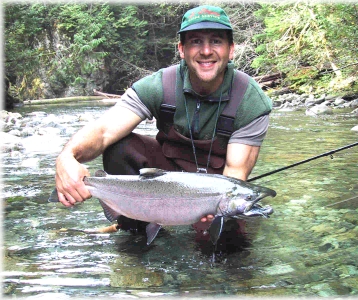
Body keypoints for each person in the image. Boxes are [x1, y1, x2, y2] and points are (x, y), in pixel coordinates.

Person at [54, 5, 273, 233]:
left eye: (216, 41)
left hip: (212, 191)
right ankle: (136, 227)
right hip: (165, 179)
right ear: (181, 49)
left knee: (227, 247)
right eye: (196, 41)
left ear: (231, 49)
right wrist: (67, 158)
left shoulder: (250, 100)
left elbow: (235, 174)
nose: (206, 51)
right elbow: (104, 131)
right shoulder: (160, 86)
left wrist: (208, 211)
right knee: (120, 147)